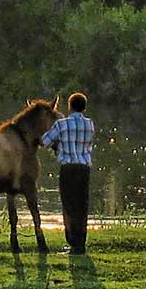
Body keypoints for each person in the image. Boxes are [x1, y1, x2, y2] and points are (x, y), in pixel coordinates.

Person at [41, 92, 95, 255]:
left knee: (69, 204)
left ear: (70, 107)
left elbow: (45, 141)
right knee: (81, 204)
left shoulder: (62, 124)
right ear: (84, 107)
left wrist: (58, 145)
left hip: (69, 168)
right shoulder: (90, 124)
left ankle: (72, 242)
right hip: (84, 168)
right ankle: (81, 243)